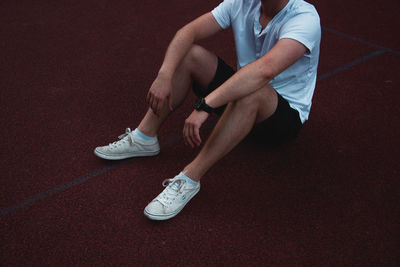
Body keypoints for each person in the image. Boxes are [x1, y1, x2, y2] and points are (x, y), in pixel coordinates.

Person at [94, 0, 321, 220]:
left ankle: (189, 178)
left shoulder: (304, 18)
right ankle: (144, 136)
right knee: (191, 55)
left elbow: (265, 71)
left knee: (252, 90)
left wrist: (206, 105)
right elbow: (188, 32)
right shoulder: (242, 3)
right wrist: (164, 74)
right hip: (241, 98)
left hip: (281, 119)